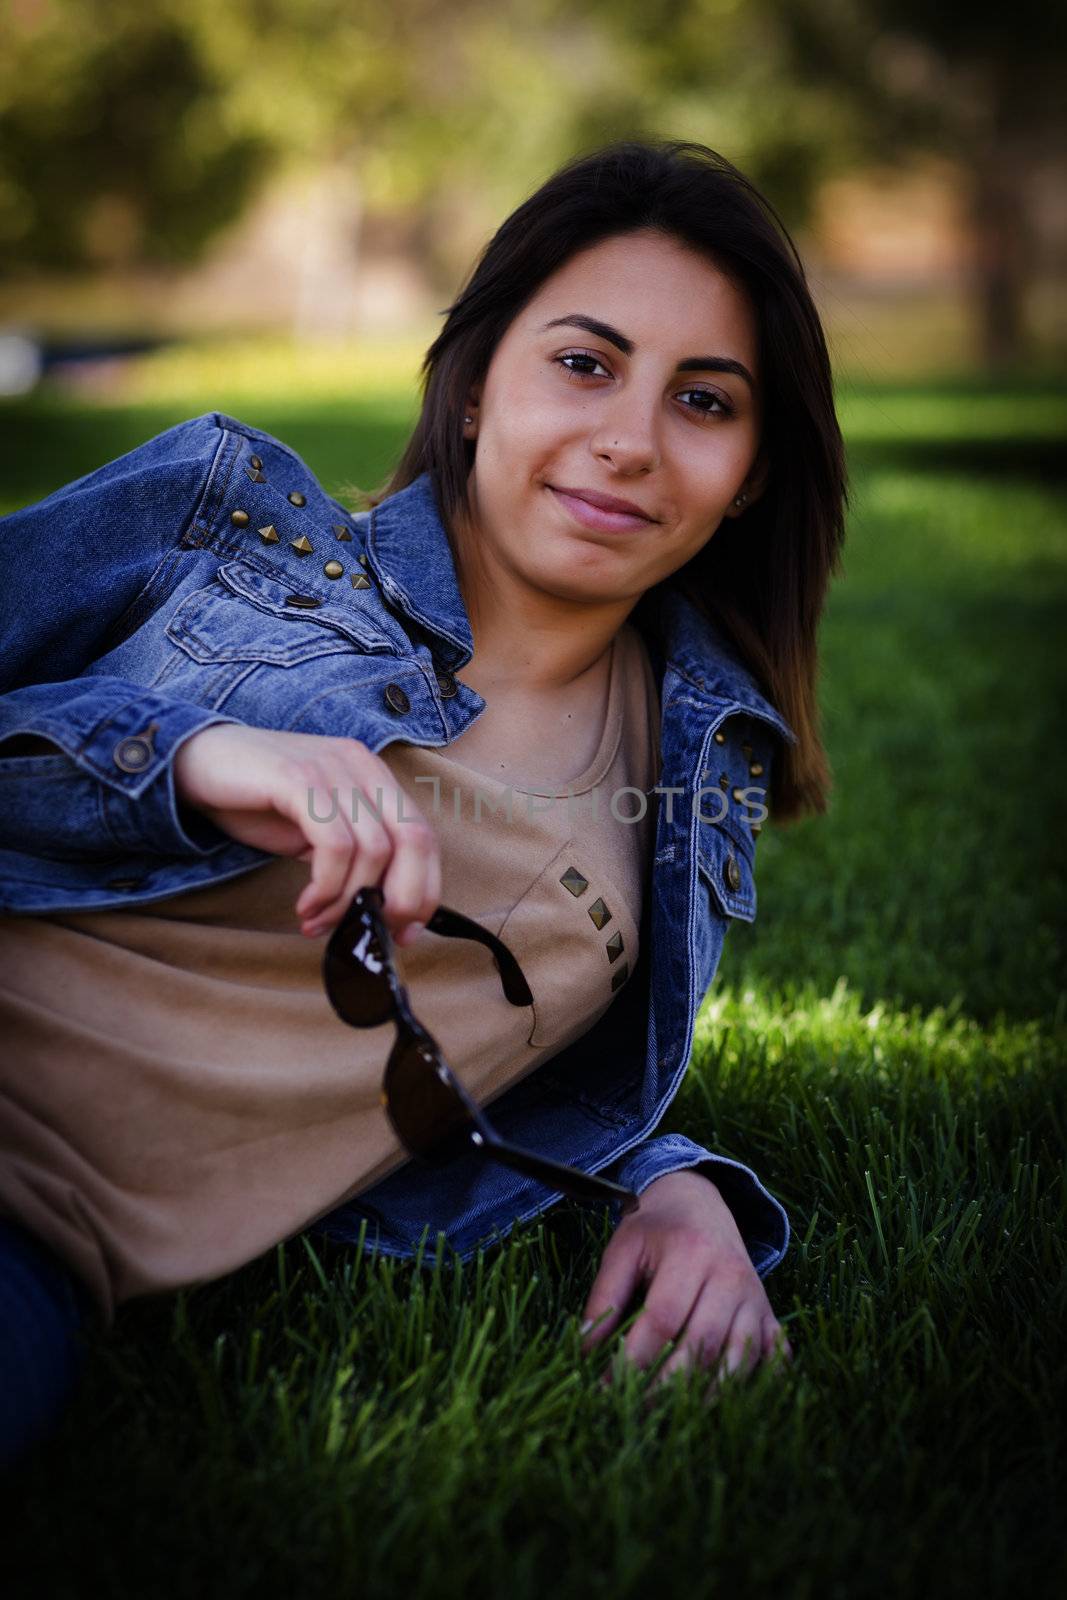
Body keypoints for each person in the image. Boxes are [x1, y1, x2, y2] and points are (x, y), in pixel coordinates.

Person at [0, 137, 847, 1465]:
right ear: (471, 389)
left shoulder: (694, 780)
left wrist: (680, 1189)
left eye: (705, 399)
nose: (628, 441)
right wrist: (198, 757)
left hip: (39, 1239)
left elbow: (521, 1093)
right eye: (584, 363)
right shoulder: (224, 527)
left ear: (750, 471)